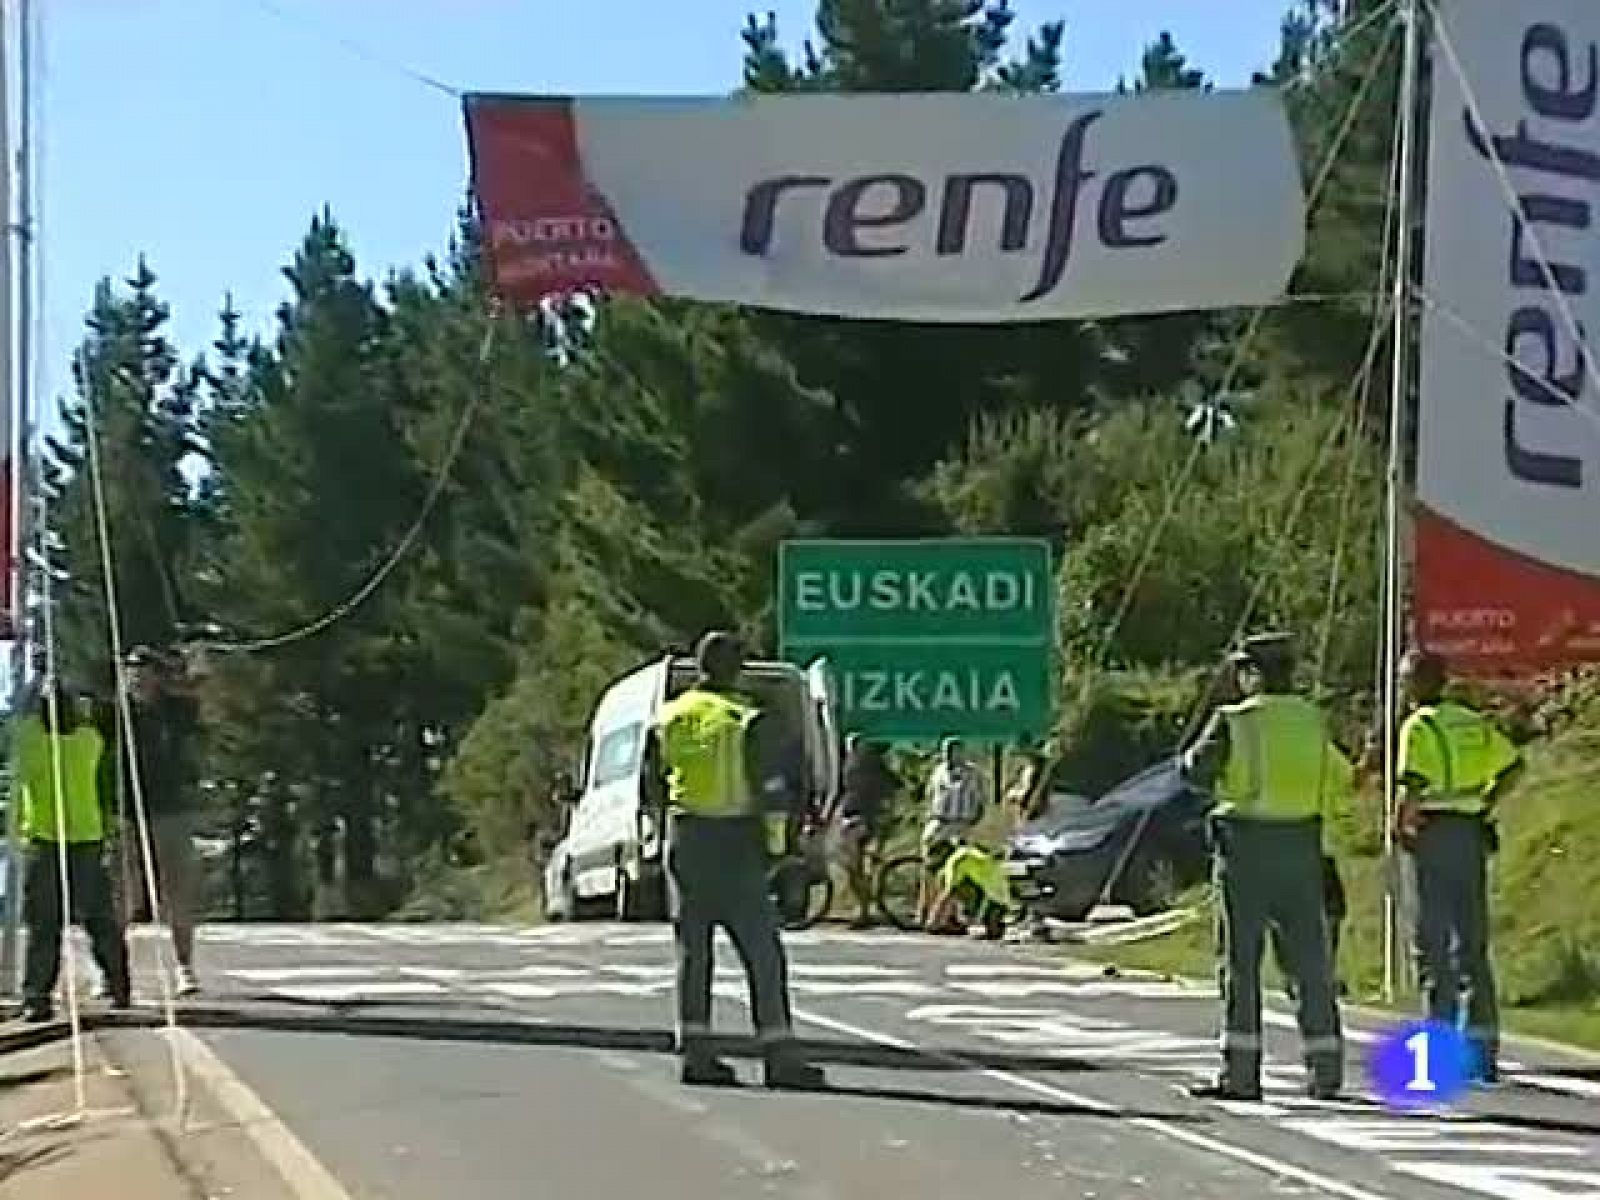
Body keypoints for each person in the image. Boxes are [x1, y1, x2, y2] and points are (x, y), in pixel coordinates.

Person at [640, 630, 825, 1090]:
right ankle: (778, 1052)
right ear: (735, 669)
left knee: (693, 949)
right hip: (736, 839)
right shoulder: (746, 719)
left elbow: (652, 788)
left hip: (684, 837)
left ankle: (695, 1051)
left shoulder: (668, 718)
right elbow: (772, 793)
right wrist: (781, 852)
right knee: (761, 950)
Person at [1182, 632, 1353, 1101]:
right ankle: (1326, 1068)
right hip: (1303, 844)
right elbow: (1341, 776)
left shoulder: (1235, 721)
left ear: (1252, 674)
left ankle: (1241, 1073)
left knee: (1241, 962)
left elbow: (1195, 771)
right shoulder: (1314, 721)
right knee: (1309, 962)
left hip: (1245, 847)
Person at [1396, 649, 1522, 1085]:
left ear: (1417, 684)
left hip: (1432, 831)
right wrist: (1486, 801)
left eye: (1406, 681)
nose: (1404, 689)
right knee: (1471, 942)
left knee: (1431, 945)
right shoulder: (1471, 720)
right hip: (1469, 830)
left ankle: (1436, 1056)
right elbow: (1513, 765)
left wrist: (1400, 827)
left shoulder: (1420, 725)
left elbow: (1412, 784)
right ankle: (1483, 1052)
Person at [16, 679, 133, 1022]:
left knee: (44, 924)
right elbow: (92, 719)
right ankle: (119, 984)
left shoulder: (30, 743)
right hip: (86, 838)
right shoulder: (88, 743)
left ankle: (37, 996)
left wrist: (33, 682)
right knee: (100, 919)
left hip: (45, 839)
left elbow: (21, 716)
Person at [122, 645, 203, 997]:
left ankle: (184, 967)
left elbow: (198, 689)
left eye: (144, 670)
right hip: (126, 811)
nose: (136, 676)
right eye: (131, 669)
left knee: (178, 891)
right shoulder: (119, 714)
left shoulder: (177, 711)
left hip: (171, 808)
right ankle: (112, 971)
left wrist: (182, 667)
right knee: (123, 894)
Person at [834, 734, 901, 928]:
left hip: (859, 819)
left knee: (853, 867)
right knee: (854, 867)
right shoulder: (864, 768)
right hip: (857, 818)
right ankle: (864, 907)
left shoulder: (861, 768)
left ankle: (864, 910)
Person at [919, 737, 984, 923]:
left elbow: (980, 800)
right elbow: (930, 795)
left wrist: (971, 822)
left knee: (956, 871)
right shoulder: (938, 771)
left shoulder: (973, 773)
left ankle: (950, 915)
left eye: (954, 750)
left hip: (960, 825)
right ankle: (924, 910)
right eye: (946, 750)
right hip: (938, 823)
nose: (949, 755)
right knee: (929, 869)